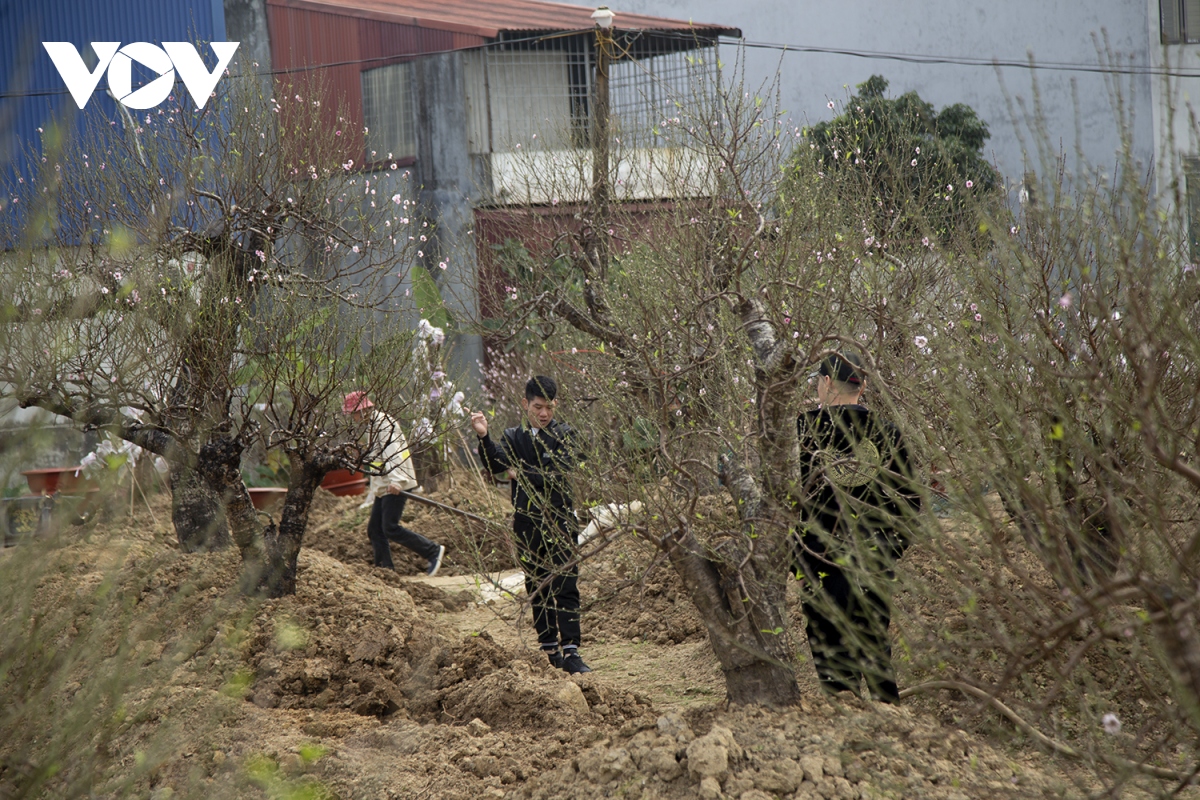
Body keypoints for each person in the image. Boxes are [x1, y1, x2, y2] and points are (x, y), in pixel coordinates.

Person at [793, 352, 920, 703]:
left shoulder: (804, 433)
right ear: (862, 386)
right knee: (876, 654)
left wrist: (799, 561)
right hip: (872, 565)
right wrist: (887, 553)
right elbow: (910, 504)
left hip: (821, 565)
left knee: (832, 659)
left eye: (817, 381)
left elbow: (787, 505)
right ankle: (892, 734)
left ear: (827, 383)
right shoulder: (889, 434)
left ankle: (848, 737)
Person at [469, 376, 590, 674]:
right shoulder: (514, 436)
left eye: (549, 407)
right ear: (526, 404)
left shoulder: (566, 435)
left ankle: (571, 650)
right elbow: (496, 465)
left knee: (566, 583)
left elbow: (557, 473)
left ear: (556, 405)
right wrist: (484, 437)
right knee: (537, 585)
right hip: (526, 522)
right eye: (538, 407)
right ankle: (549, 648)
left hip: (560, 519)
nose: (544, 413)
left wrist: (520, 471)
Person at [343, 391, 445, 577]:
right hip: (385, 485)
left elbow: (393, 453)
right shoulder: (372, 425)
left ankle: (432, 551)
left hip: (395, 484)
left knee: (390, 527)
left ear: (363, 410)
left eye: (353, 412)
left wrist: (397, 481)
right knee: (375, 530)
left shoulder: (383, 424)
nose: (352, 417)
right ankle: (385, 571)